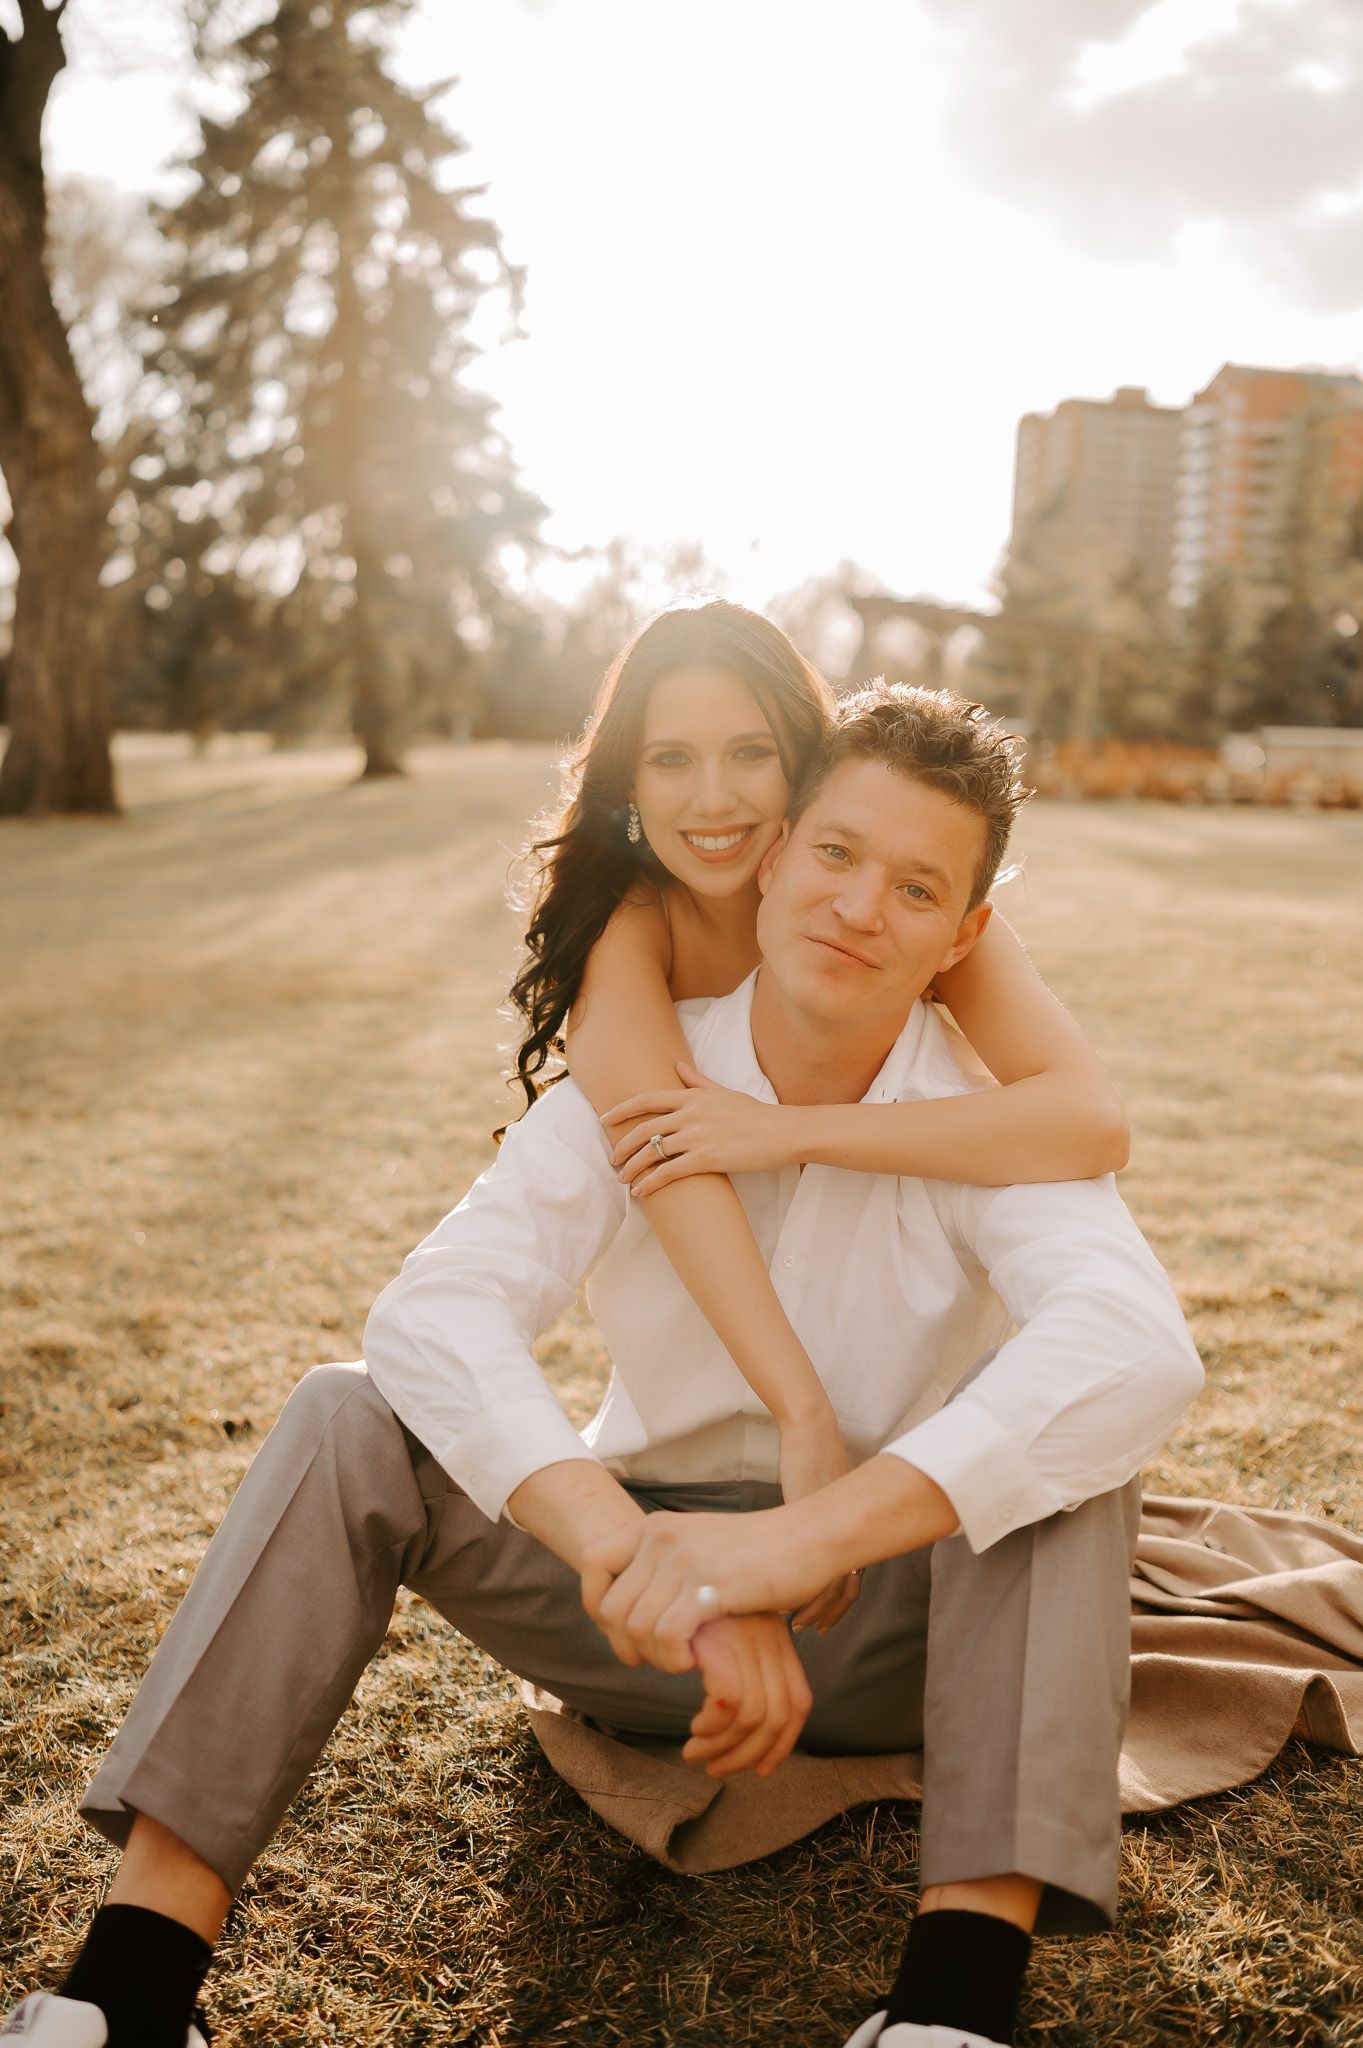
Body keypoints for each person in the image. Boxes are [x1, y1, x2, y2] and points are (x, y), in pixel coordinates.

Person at [4, 680, 1203, 2048]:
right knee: (351, 1412)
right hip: (628, 1609)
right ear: (768, 862)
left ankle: (952, 2009)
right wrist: (658, 1564)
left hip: (882, 1627)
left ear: (961, 936)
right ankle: (127, 1992)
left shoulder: (978, 1120)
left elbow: (1129, 1344)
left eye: (915, 888)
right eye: (833, 855)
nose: (860, 908)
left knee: (1068, 1461)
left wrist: (796, 1547)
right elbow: (435, 1314)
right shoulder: (635, 1079)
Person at [507, 599, 1130, 1624]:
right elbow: (670, 1154)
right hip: (708, 1460)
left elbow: (1088, 1120)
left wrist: (796, 1128)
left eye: (751, 750)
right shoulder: (633, 932)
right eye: (669, 759)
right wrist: (801, 1410)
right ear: (627, 784)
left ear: (801, 760)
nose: (712, 798)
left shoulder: (900, 907)